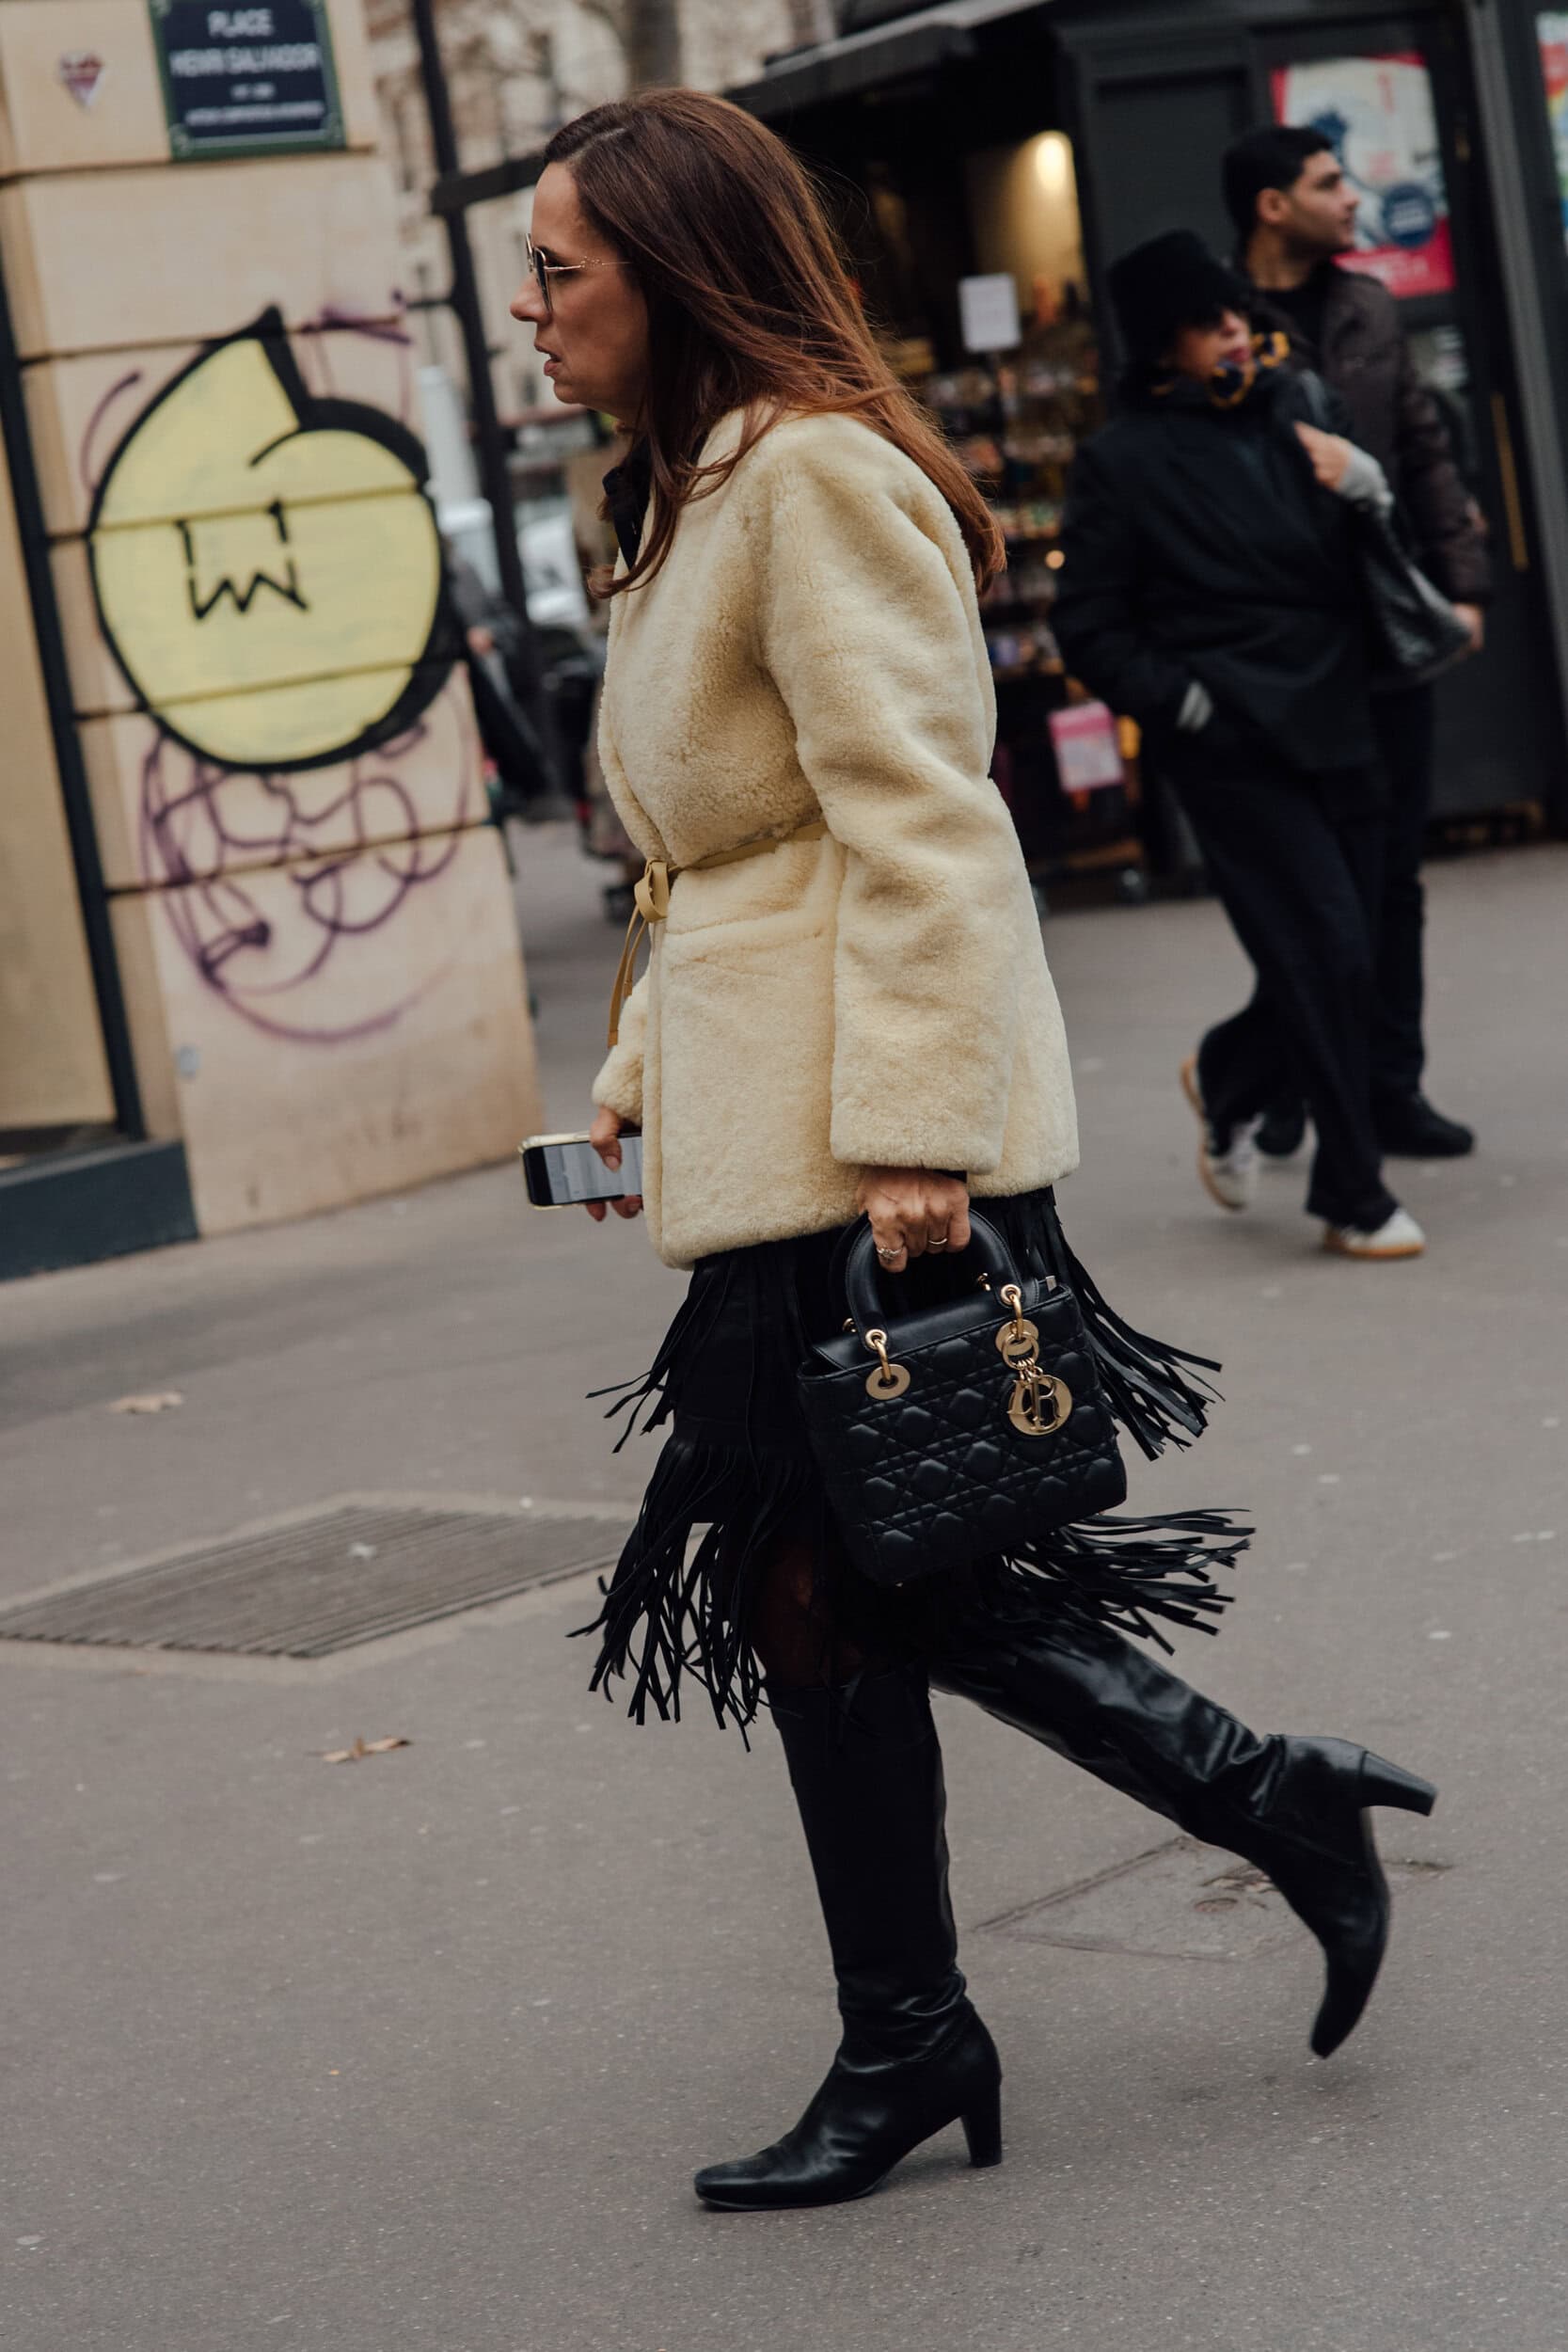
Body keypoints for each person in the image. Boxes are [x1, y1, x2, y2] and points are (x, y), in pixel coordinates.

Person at [513, 101, 1436, 2214]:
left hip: (866, 1138)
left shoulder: (814, 478)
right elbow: (706, 856)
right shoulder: (683, 495)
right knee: (825, 1577)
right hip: (769, 1117)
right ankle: (1007, 1964)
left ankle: (1168, 1857)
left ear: (671, 267)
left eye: (559, 267)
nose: (532, 307)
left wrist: (915, 1129)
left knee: (841, 1570)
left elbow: (919, 815)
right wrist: (642, 1062)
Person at [1053, 230, 1426, 1263]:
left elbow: (1373, 567)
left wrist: (1367, 489)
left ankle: (1228, 1076)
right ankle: (1351, 1193)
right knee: (1328, 950)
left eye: (1239, 317)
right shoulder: (1118, 463)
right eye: (1212, 320)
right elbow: (1086, 626)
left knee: (1340, 953)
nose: (1238, 333)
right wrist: (1184, 706)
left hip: (1340, 719)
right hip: (1230, 747)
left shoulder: (1301, 414)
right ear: (1161, 343)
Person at [1223, 123, 1490, 1162]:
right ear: (1271, 204)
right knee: (1318, 885)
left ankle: (1385, 1086)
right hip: (1285, 652)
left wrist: (1458, 585)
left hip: (1382, 629)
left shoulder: (1365, 305)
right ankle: (1283, 1072)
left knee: (1391, 881)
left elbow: (1421, 448)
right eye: (1329, 183)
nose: (1352, 197)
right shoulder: (1218, 324)